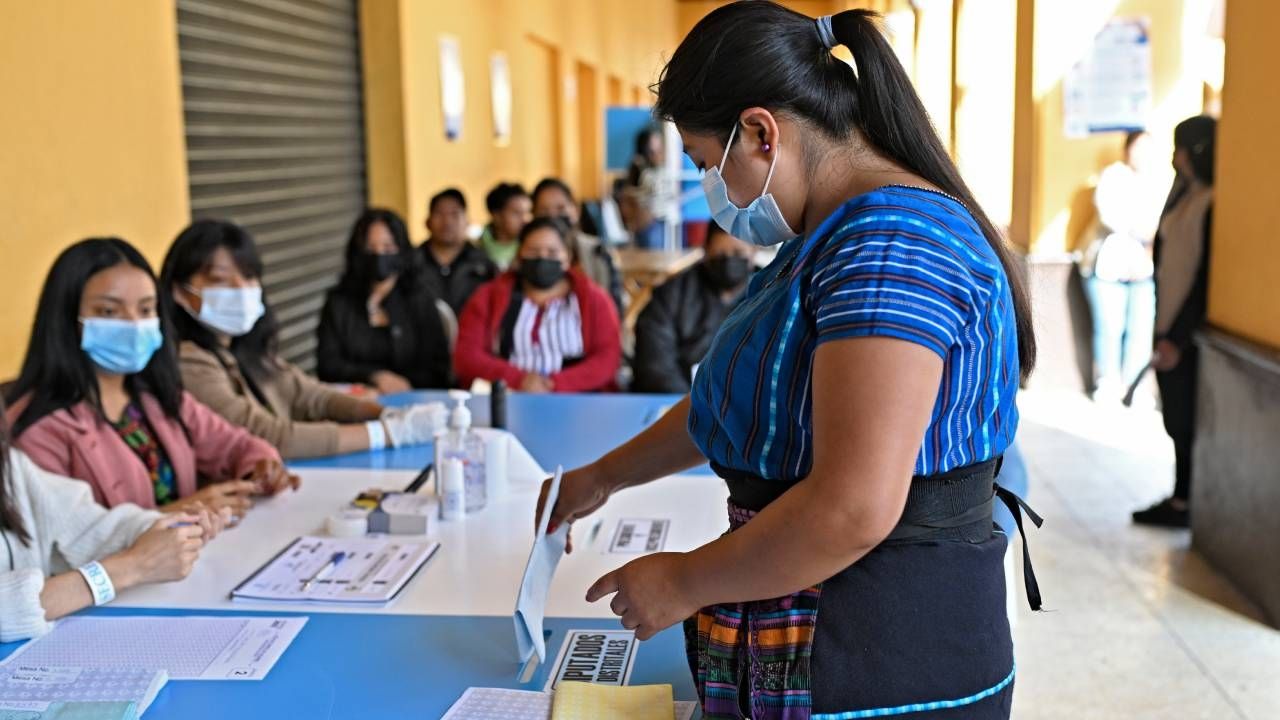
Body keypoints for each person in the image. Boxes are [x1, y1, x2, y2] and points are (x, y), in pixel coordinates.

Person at [537, 6, 1040, 719]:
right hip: (823, 625)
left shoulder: (891, 248)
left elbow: (852, 507)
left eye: (711, 166)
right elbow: (749, 403)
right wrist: (603, 477)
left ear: (761, 133)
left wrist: (684, 581)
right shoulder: (828, 237)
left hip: (884, 654)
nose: (719, 195)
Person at [4, 238, 295, 516]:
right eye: (108, 310)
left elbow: (234, 444)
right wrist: (176, 513)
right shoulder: (36, 428)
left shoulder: (154, 396)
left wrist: (261, 466)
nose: (133, 322)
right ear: (65, 320)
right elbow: (60, 542)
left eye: (145, 309)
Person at [160, 220, 443, 460]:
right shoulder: (189, 359)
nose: (241, 289)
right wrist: (387, 433)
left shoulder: (245, 348)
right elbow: (265, 435)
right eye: (221, 280)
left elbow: (307, 395)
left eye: (248, 277)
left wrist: (383, 413)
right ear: (180, 292)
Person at [1, 399, 218, 642]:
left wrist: (165, 529)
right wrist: (132, 566)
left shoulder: (11, 465)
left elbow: (87, 523)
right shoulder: (42, 426)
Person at [1132, 115, 1217, 529]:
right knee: (1174, 417)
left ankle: (1187, 502)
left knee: (1185, 421)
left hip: (1187, 335)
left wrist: (1177, 338)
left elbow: (1205, 280)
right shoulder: (1186, 195)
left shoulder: (1214, 202)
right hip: (1166, 322)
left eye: (1181, 147)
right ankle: (1182, 496)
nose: (1174, 156)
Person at [455, 217, 621, 393]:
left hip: (579, 400)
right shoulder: (488, 297)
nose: (542, 257)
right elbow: (467, 355)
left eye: (552, 252)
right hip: (508, 397)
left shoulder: (594, 299)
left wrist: (555, 384)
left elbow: (608, 359)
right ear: (519, 255)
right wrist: (519, 380)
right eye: (533, 251)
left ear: (568, 258)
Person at [317, 208, 452, 392]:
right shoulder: (339, 302)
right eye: (370, 248)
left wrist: (405, 384)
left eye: (388, 248)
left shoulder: (419, 299)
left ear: (402, 251)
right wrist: (374, 376)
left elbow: (438, 368)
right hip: (354, 401)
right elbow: (328, 365)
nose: (379, 256)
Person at [1083, 130, 1164, 402]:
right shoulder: (1112, 177)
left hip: (1145, 268)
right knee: (1109, 325)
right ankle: (1108, 381)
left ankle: (1135, 385)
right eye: (1137, 147)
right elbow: (1111, 216)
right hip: (1109, 266)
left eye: (1147, 148)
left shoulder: (1158, 182)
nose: (1142, 154)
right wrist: (1142, 230)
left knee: (1141, 328)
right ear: (1127, 149)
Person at [632, 224, 755, 393]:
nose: (729, 261)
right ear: (705, 252)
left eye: (738, 253)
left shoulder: (770, 291)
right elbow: (655, 364)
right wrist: (692, 407)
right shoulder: (671, 295)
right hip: (679, 400)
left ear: (754, 252)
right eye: (720, 254)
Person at [531, 177, 625, 312]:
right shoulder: (525, 257)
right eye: (544, 210)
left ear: (576, 210)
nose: (552, 216)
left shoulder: (598, 251)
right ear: (533, 214)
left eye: (561, 208)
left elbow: (615, 307)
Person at [419, 188, 497, 316]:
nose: (447, 222)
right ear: (428, 222)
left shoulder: (484, 265)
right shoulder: (411, 264)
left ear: (467, 222)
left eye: (455, 214)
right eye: (439, 213)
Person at [624, 127, 675, 249]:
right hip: (648, 221)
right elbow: (631, 195)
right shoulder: (638, 165)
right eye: (653, 146)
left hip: (660, 218)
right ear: (645, 146)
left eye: (659, 146)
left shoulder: (658, 167)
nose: (657, 150)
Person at [478, 182, 533, 270]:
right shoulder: (476, 248)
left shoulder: (532, 247)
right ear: (497, 216)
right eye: (516, 213)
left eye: (528, 212)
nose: (525, 220)